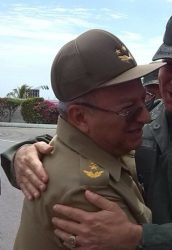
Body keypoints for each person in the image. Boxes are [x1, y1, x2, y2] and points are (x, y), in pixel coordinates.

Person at [1, 8, 172, 249]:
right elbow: (84, 140)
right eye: (171, 67)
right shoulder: (147, 116)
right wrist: (23, 152)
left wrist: (137, 237)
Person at [12, 29, 164, 250]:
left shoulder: (99, 148)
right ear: (80, 117)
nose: (146, 116)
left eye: (145, 100)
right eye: (128, 109)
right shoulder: (88, 192)